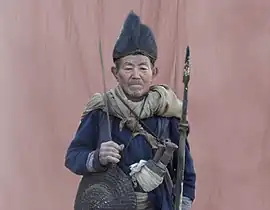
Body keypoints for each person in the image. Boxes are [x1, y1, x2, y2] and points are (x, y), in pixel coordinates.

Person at [65, 11, 196, 210]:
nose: (136, 75)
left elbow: (186, 172)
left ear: (154, 72)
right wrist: (97, 157)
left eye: (143, 68)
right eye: (128, 68)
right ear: (115, 73)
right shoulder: (101, 111)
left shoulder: (169, 115)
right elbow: (73, 156)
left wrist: (183, 205)